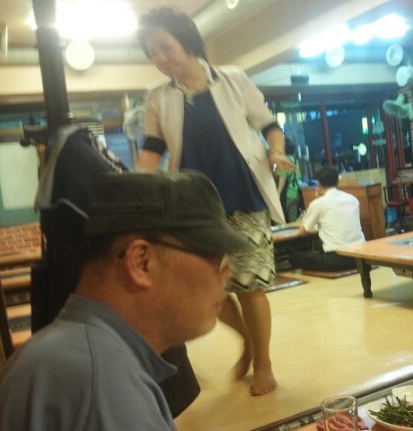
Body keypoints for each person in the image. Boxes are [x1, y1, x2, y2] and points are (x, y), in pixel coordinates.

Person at [0, 171, 253, 430]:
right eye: (215, 257)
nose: (227, 273)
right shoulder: (105, 387)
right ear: (142, 262)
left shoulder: (71, 355)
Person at [136, 6, 294, 395]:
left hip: (244, 196)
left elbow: (269, 125)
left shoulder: (233, 80)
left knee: (251, 286)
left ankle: (264, 363)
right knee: (207, 290)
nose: (161, 58)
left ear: (187, 41)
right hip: (194, 207)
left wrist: (276, 152)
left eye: (165, 47)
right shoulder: (157, 96)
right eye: (152, 52)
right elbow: (152, 150)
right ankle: (248, 343)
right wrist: (136, 189)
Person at [289, 166, 365, 271]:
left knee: (294, 257)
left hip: (337, 258)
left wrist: (317, 198)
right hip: (361, 255)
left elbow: (303, 232)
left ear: (318, 184)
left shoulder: (318, 203)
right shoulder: (352, 199)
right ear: (338, 182)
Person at [277, 138, 304, 222]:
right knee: (293, 218)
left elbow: (282, 178)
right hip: (296, 192)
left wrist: (278, 193)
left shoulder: (284, 161)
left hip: (287, 194)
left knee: (280, 218)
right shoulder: (295, 160)